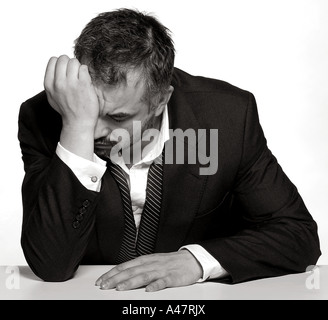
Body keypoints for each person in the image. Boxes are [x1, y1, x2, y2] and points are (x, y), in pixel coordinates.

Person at [18, 8, 321, 292]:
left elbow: (298, 235)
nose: (95, 130)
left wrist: (197, 260)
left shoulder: (227, 118)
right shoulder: (42, 118)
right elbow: (51, 265)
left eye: (118, 117)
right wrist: (74, 126)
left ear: (161, 100)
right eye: (88, 107)